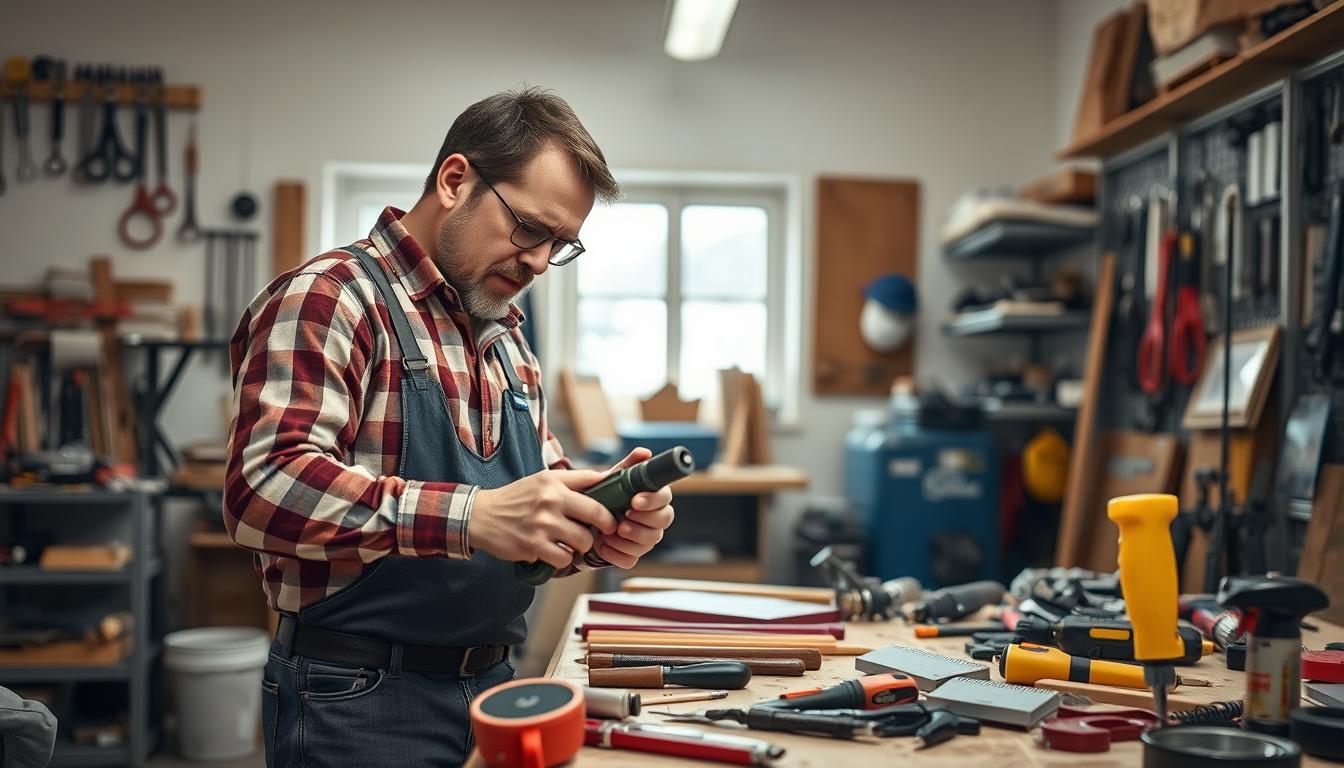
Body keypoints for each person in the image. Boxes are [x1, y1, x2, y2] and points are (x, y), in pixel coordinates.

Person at [223, 87, 677, 767]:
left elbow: (532, 519)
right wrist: (473, 516)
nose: (539, 262)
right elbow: (262, 488)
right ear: (455, 180)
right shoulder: (331, 298)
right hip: (357, 699)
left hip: (495, 688)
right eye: (530, 229)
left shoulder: (506, 339)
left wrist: (603, 523)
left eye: (560, 245)